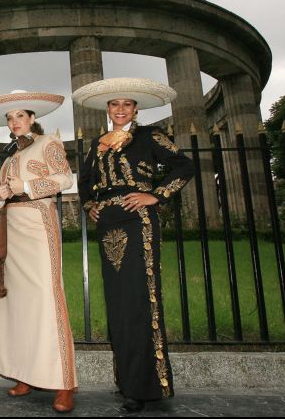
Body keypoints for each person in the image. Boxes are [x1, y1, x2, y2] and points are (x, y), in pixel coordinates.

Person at [72, 78, 194, 413]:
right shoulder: (98, 142)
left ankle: (146, 388)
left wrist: (156, 195)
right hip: (108, 223)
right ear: (108, 109)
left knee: (140, 299)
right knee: (118, 303)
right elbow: (84, 181)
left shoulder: (149, 136)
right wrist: (89, 205)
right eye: (114, 104)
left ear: (136, 109)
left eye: (127, 104)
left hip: (138, 222)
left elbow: (184, 166)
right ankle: (127, 382)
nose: (120, 109)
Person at [0, 91, 78, 413]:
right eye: (9, 118)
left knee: (47, 297)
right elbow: (1, 199)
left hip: (38, 224)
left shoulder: (49, 144)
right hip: (13, 230)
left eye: (20, 116)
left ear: (32, 118)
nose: (14, 122)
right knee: (17, 304)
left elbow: (65, 178)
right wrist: (1, 193)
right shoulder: (6, 161)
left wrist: (27, 187)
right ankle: (25, 374)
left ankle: (64, 382)